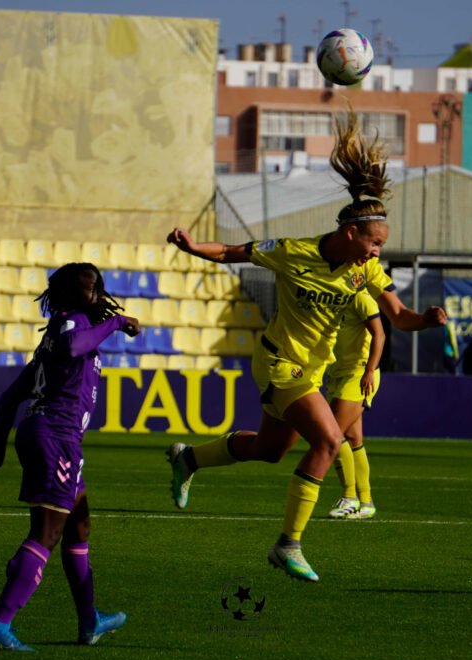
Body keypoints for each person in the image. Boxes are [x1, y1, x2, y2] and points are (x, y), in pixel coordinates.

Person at [163, 107, 448, 582]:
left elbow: (398, 318)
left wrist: (428, 320)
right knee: (330, 440)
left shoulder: (365, 271)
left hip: (310, 372)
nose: (378, 252)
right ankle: (287, 544)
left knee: (271, 450)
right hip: (278, 362)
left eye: (381, 245)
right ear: (350, 232)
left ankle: (188, 458)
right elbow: (237, 253)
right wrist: (195, 249)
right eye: (373, 242)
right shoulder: (294, 253)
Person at [0, 263, 140, 651]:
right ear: (68, 295)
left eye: (98, 287)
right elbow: (73, 346)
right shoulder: (69, 323)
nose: (96, 294)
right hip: (56, 437)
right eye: (89, 288)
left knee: (78, 526)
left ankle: (89, 620)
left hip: (51, 436)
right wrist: (116, 324)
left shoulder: (57, 334)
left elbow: (10, 397)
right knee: (46, 534)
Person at [324, 289, 385, 520]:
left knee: (332, 433)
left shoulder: (360, 297)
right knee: (353, 438)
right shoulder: (330, 294)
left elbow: (379, 335)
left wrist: (369, 370)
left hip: (358, 372)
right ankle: (366, 502)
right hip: (337, 371)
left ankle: (350, 496)